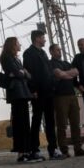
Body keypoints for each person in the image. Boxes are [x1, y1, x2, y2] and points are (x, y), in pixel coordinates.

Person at [0, 36, 43, 163]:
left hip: (23, 93)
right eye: (18, 43)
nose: (20, 45)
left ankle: (26, 151)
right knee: (20, 123)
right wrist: (21, 73)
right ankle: (22, 152)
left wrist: (22, 72)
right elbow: (18, 73)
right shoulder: (6, 58)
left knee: (25, 122)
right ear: (13, 45)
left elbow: (27, 74)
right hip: (17, 93)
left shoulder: (16, 59)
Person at [23, 29, 62, 159]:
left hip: (49, 91)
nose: (45, 40)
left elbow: (49, 71)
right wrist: (33, 90)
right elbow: (29, 73)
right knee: (37, 120)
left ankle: (53, 149)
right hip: (38, 92)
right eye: (43, 38)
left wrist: (53, 85)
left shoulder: (44, 53)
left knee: (51, 121)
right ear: (37, 38)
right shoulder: (28, 53)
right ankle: (35, 149)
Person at [49, 43, 84, 157]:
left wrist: (64, 74)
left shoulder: (66, 63)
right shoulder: (50, 63)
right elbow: (60, 74)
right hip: (60, 97)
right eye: (57, 50)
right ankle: (64, 150)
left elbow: (76, 72)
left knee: (76, 123)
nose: (59, 51)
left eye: (60, 49)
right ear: (51, 52)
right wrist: (65, 74)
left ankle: (78, 148)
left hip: (72, 95)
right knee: (62, 125)